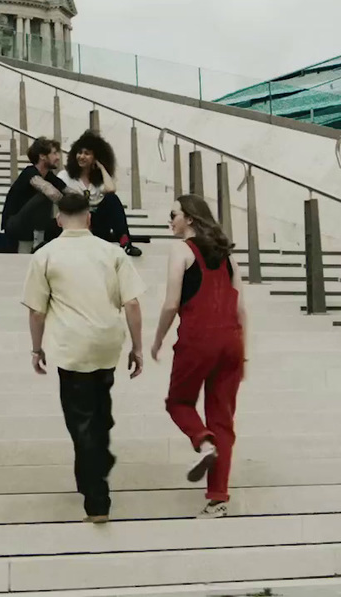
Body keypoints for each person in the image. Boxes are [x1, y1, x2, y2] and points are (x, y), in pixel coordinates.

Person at [24, 191, 146, 523]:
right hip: (108, 343)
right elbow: (132, 303)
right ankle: (91, 470)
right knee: (99, 409)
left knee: (80, 420)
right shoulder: (112, 253)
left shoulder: (45, 255)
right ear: (90, 218)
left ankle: (97, 499)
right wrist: (137, 347)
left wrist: (36, 349)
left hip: (72, 347)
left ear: (58, 218)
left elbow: (36, 311)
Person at [151, 195, 248, 519]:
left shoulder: (181, 250)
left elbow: (170, 303)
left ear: (190, 218)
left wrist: (158, 339)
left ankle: (202, 442)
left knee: (179, 402)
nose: (171, 221)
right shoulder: (227, 256)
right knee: (223, 419)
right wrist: (243, 354)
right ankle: (218, 498)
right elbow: (240, 308)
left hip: (198, 339)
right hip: (231, 340)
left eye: (174, 215)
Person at [60, 131, 142, 257]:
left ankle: (126, 243)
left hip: (97, 226)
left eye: (87, 153)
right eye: (79, 152)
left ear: (95, 158)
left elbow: (111, 189)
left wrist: (102, 167)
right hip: (76, 223)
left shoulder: (98, 181)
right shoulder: (65, 176)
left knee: (111, 199)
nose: (81, 156)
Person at [1, 137, 67, 247]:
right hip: (14, 224)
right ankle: (38, 241)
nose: (58, 158)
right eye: (54, 153)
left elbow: (68, 191)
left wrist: (83, 200)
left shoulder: (49, 176)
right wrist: (70, 205)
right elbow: (50, 192)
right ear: (42, 156)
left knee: (58, 225)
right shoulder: (30, 172)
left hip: (30, 224)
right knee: (45, 195)